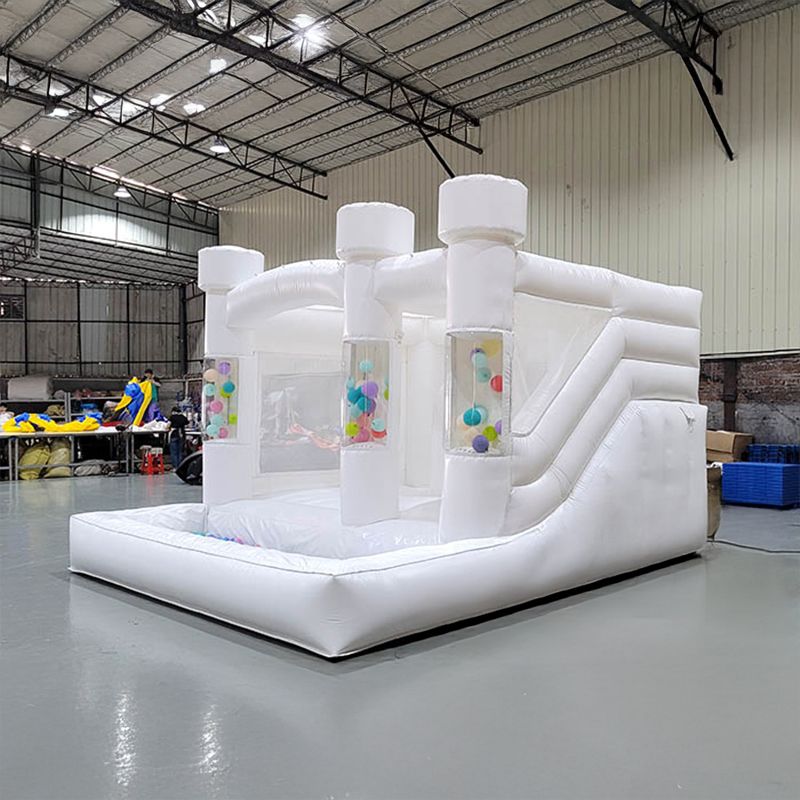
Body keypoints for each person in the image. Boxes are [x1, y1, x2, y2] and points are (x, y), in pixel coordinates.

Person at [168, 405, 188, 470]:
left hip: (174, 435)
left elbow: (168, 425)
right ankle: (180, 467)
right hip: (181, 435)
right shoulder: (183, 417)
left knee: (174, 452)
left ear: (173, 411)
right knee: (180, 452)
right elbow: (187, 423)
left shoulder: (172, 417)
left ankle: (175, 467)